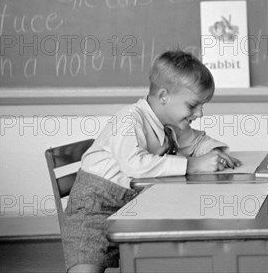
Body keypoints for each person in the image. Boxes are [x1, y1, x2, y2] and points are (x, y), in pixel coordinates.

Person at [62, 50, 241, 273]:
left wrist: (216, 152)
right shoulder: (129, 119)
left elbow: (196, 141)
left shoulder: (172, 124)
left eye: (202, 106)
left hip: (134, 209)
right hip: (93, 209)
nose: (200, 113)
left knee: (164, 255)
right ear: (164, 96)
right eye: (193, 105)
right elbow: (134, 165)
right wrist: (192, 165)